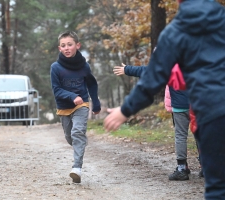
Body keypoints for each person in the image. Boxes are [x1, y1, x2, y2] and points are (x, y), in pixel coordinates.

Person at [105, 0, 225, 198]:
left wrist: (125, 110)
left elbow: (153, 77)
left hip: (212, 113)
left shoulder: (175, 32)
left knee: (218, 188)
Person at [114, 64, 192, 181]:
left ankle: (182, 168)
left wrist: (128, 69)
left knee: (181, 135)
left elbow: (151, 71)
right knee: (200, 134)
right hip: (198, 102)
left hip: (180, 105)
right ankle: (205, 167)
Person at [50, 31, 101, 183]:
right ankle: (80, 143)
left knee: (77, 132)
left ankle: (76, 168)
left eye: (70, 45)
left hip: (82, 105)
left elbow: (91, 83)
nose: (67, 48)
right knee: (70, 136)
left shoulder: (84, 66)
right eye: (63, 45)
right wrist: (72, 97)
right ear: (59, 48)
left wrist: (96, 102)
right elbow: (56, 90)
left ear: (77, 46)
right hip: (64, 107)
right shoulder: (55, 68)